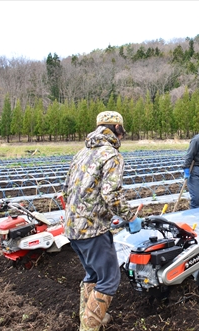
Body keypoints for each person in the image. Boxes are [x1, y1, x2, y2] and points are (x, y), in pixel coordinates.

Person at [63, 110, 142, 331]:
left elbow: (66, 191)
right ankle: (89, 328)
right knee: (109, 279)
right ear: (117, 130)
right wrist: (131, 217)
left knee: (93, 274)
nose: (121, 138)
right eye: (122, 133)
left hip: (72, 227)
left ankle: (90, 317)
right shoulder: (111, 155)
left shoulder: (81, 154)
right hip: (92, 229)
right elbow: (111, 195)